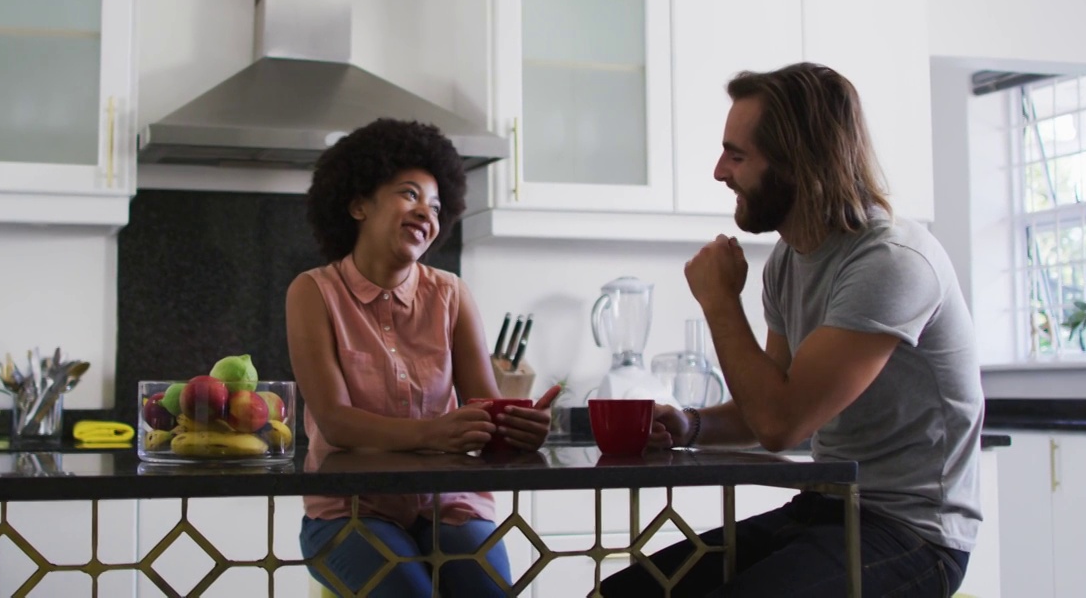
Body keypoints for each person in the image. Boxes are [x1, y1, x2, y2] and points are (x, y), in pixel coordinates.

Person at [601, 63, 984, 597]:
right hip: (828, 507)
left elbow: (781, 423)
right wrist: (690, 426)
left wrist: (718, 300)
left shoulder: (891, 262)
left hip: (914, 534)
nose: (718, 171)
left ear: (798, 164)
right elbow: (771, 403)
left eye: (737, 155)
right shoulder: (789, 260)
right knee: (624, 594)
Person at [286, 117, 558, 597]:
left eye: (435, 205)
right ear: (357, 204)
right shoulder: (314, 292)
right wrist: (434, 432)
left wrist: (519, 427)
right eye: (409, 194)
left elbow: (487, 411)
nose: (425, 212)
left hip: (449, 505)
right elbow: (335, 422)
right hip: (350, 511)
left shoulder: (451, 294)